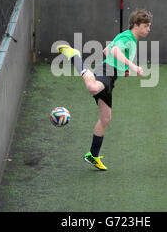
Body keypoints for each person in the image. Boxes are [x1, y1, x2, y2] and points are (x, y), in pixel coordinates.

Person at [56, 9, 153, 170]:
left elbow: (107, 51)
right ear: (136, 25)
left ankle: (93, 155)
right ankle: (74, 56)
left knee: (106, 119)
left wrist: (123, 69)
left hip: (112, 75)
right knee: (93, 87)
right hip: (107, 70)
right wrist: (132, 66)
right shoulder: (127, 37)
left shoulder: (129, 39)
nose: (149, 29)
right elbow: (114, 51)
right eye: (146, 26)